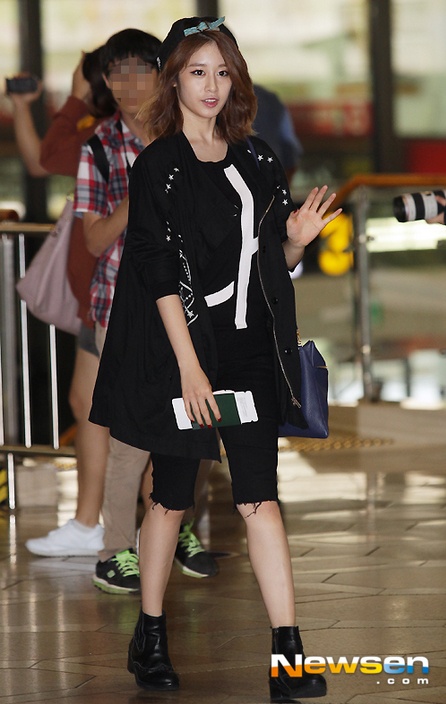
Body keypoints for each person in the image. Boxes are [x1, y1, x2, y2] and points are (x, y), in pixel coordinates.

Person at [89, 16, 342, 700]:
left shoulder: (257, 159)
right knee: (171, 499)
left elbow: (269, 263)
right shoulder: (159, 166)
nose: (211, 85)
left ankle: (288, 655)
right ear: (175, 80)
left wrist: (296, 240)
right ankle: (150, 636)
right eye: (198, 71)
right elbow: (157, 274)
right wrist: (190, 369)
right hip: (184, 354)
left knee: (260, 498)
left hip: (250, 352)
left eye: (222, 72)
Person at [74, 28, 217, 594]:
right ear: (107, 82)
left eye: (141, 69)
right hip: (123, 310)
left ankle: (177, 527)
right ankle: (116, 549)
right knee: (131, 436)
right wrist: (144, 190)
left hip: (190, 306)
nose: (130, 83)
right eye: (118, 72)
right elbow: (92, 239)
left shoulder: (188, 133)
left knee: (195, 422)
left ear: (162, 75)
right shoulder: (99, 148)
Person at [8, 49, 115, 556]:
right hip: (99, 295)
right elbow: (42, 159)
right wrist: (25, 106)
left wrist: (73, 98)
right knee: (87, 403)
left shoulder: (109, 135)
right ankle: (95, 522)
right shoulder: (102, 130)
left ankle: (117, 523)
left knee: (104, 408)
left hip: (113, 293)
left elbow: (47, 157)